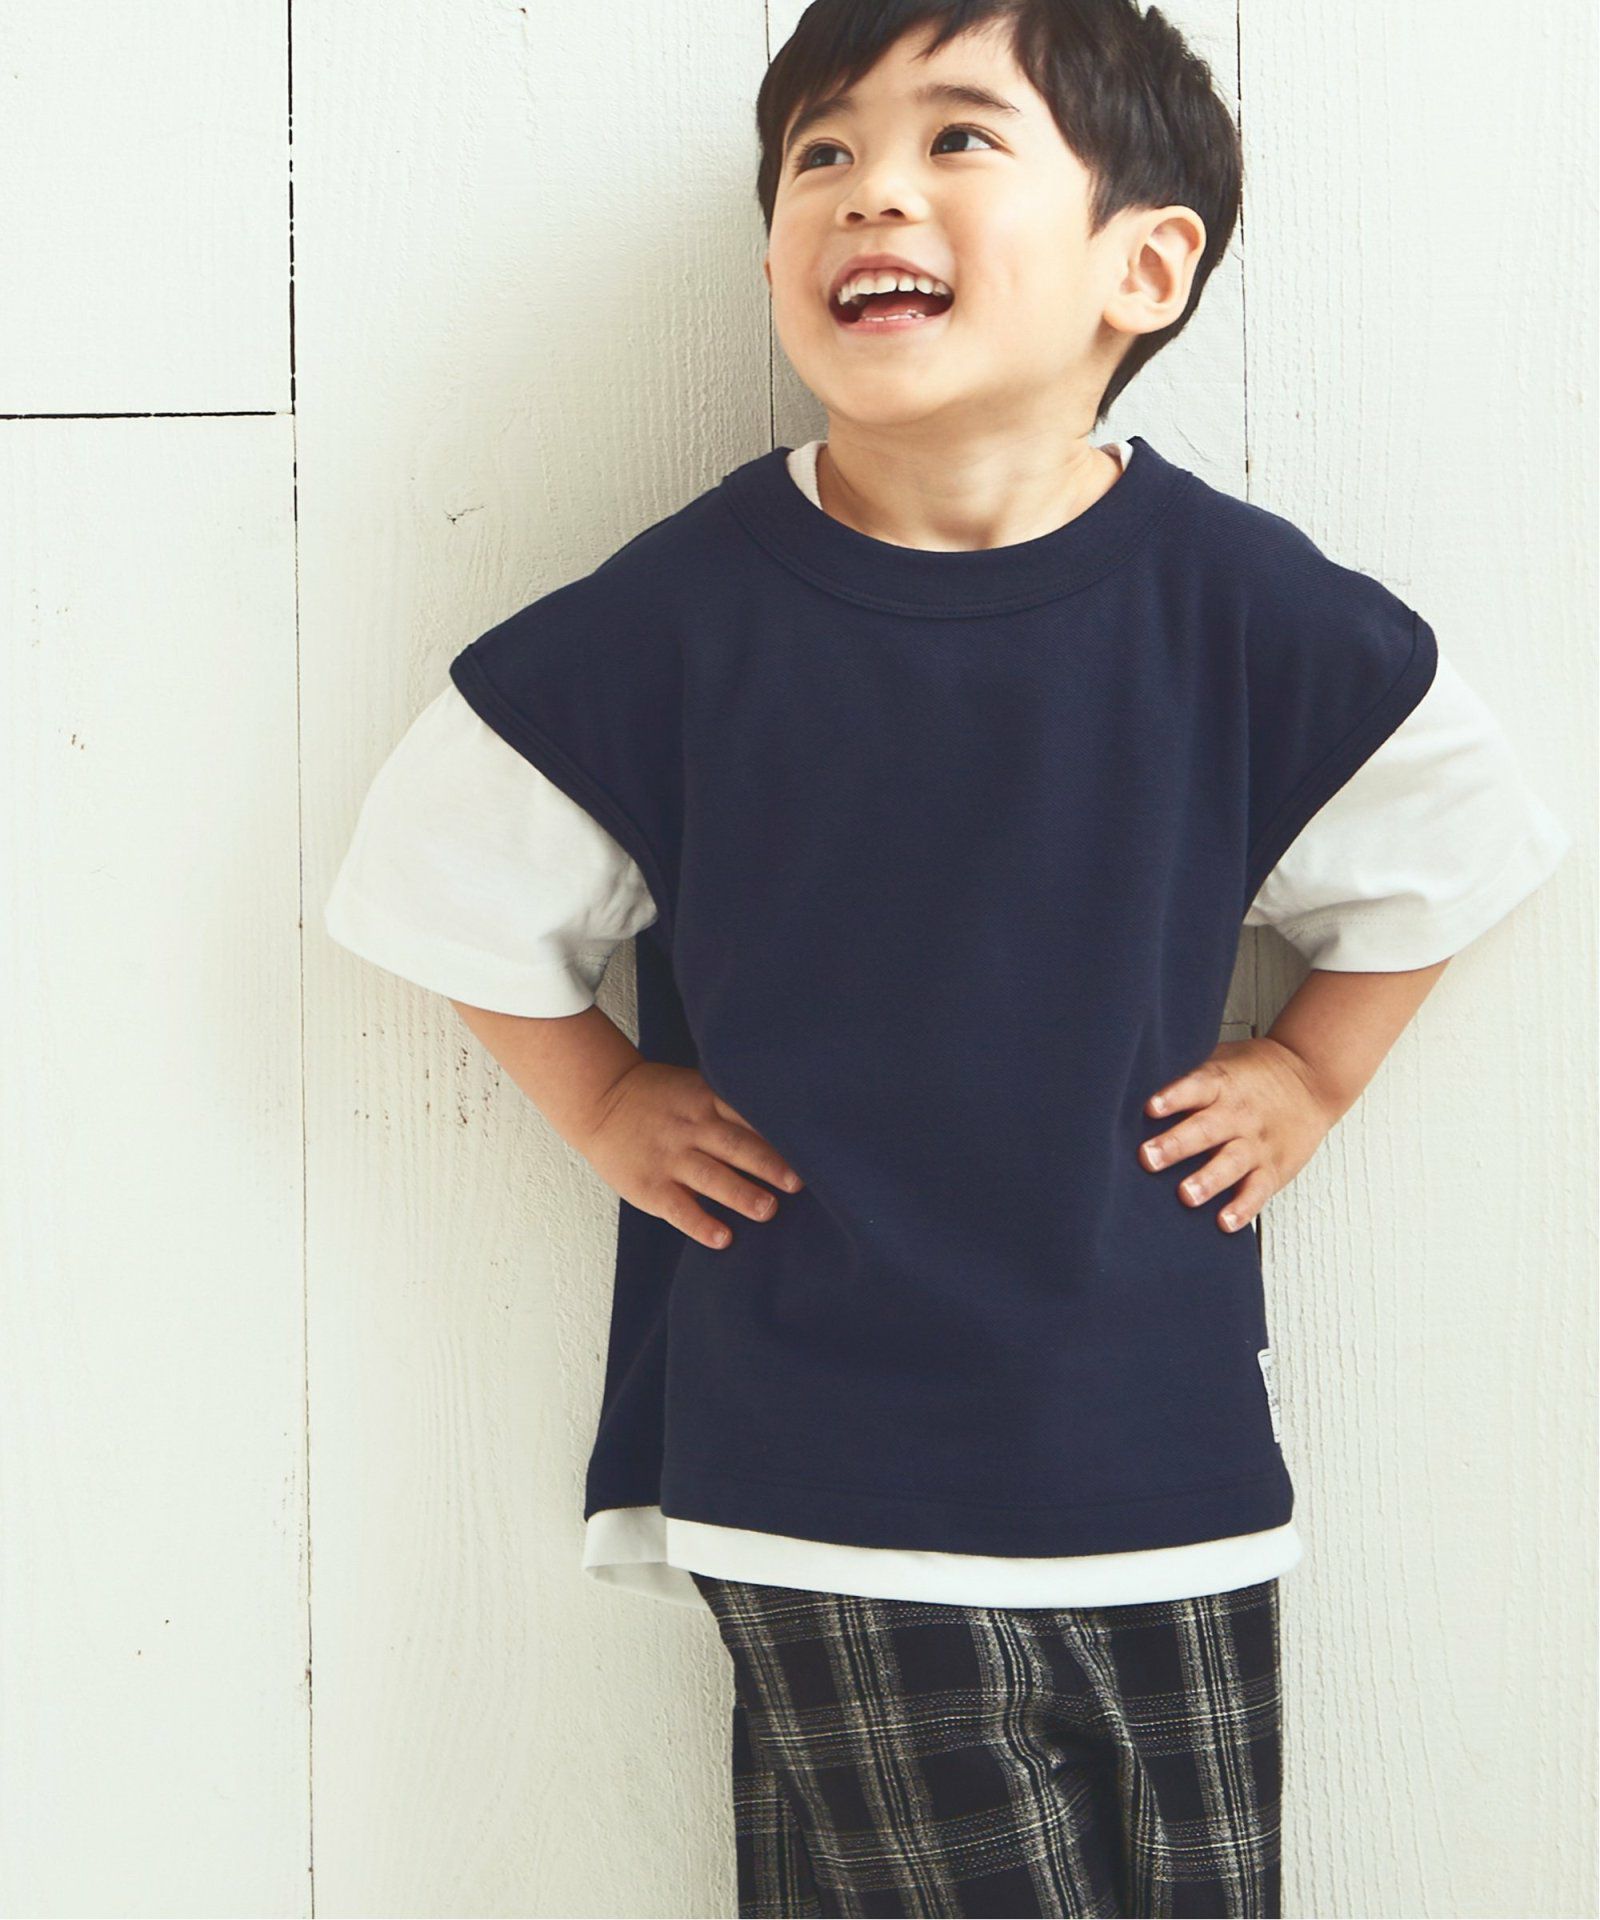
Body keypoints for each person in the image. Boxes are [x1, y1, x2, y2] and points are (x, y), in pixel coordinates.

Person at [324, 3, 1571, 1913]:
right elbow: (440, 871)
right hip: (819, 1442)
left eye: (958, 140)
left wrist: (1313, 1068)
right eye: (820, 154)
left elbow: (1460, 844)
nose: (867, 190)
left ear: (1142, 265)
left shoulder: (1233, 604)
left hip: (1162, 1457)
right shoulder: (689, 613)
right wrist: (603, 1099)